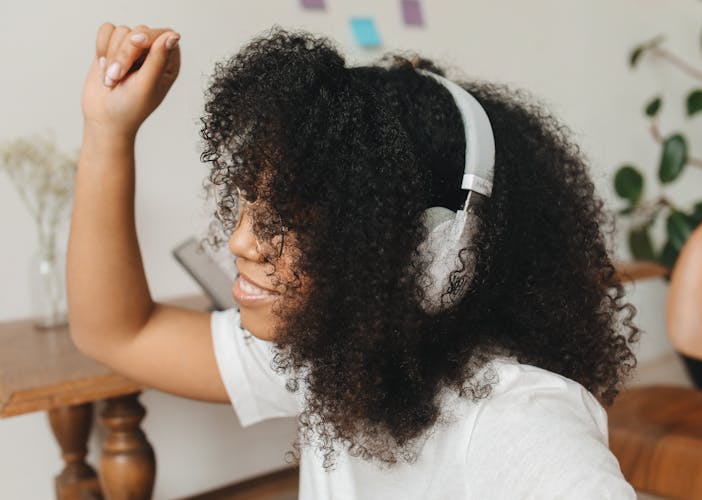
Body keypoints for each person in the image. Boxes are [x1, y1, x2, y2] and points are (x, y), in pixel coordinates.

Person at [68, 21, 640, 499]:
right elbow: (117, 331)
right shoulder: (340, 357)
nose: (243, 241)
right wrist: (107, 130)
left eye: (292, 219)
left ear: (431, 253)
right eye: (249, 201)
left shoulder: (520, 424)